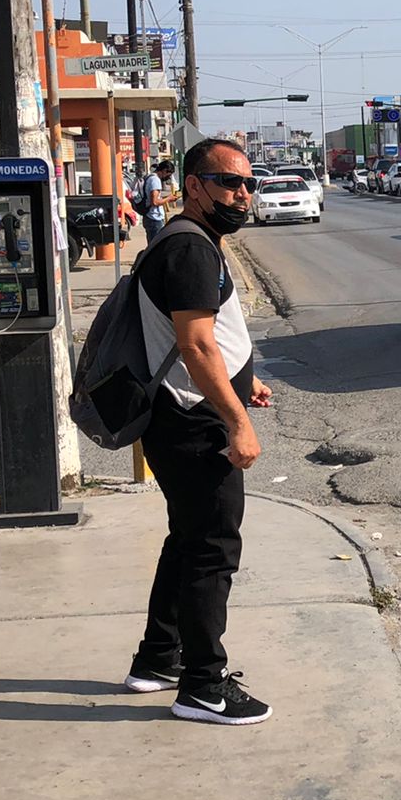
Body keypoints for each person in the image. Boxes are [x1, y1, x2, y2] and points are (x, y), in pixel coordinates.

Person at [123, 137, 274, 725]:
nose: (242, 194)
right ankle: (204, 687)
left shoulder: (191, 242)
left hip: (181, 413)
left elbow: (204, 339)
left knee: (188, 540)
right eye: (228, 183)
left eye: (248, 184)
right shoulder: (189, 249)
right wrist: (237, 423)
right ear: (193, 185)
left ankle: (158, 658)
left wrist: (242, 382)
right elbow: (195, 344)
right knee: (212, 549)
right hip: (192, 423)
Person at [141, 158, 173, 242]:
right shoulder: (155, 180)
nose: (168, 177)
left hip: (150, 217)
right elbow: (154, 202)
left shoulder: (149, 177)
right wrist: (168, 198)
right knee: (156, 246)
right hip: (154, 218)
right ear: (164, 171)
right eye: (168, 175)